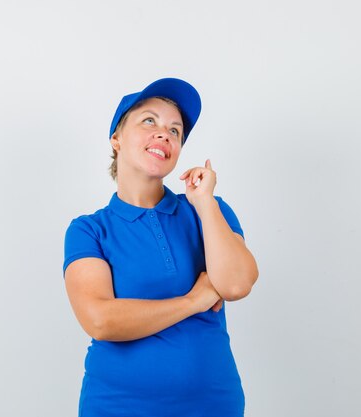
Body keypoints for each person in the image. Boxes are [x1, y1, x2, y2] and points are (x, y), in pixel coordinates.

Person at [62, 78, 259, 417]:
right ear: (117, 139)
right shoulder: (89, 230)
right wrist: (193, 301)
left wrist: (204, 203)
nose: (164, 134)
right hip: (117, 406)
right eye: (149, 121)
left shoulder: (209, 210)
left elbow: (237, 284)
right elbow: (100, 320)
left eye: (175, 130)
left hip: (212, 404)